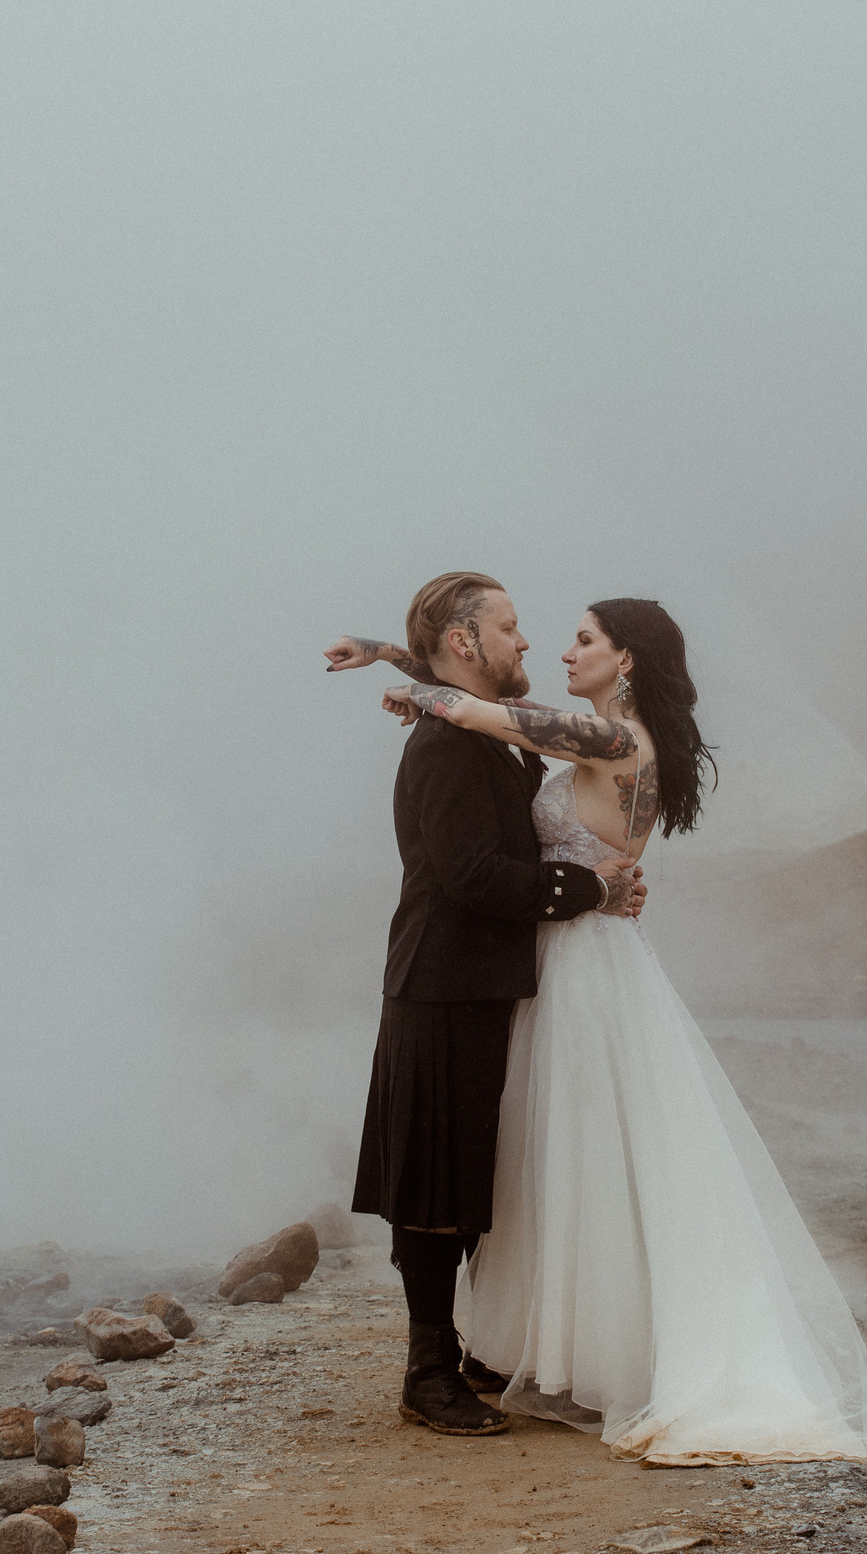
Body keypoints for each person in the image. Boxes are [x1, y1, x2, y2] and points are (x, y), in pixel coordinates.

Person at [330, 596, 867, 1471]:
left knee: (581, 1154)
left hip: (582, 966)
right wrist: (395, 661)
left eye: (584, 638)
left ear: (626, 659)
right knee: (553, 1158)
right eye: (538, 632)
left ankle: (542, 1352)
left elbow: (479, 706)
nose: (558, 647)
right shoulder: (596, 734)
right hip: (564, 958)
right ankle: (536, 1348)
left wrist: (407, 677)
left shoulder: (614, 741)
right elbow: (478, 703)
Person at [329, 573, 646, 1438]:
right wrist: (586, 887)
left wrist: (397, 656)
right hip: (440, 982)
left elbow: (463, 700)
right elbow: (469, 876)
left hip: (481, 981)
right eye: (511, 627)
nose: (527, 642)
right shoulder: (444, 745)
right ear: (467, 642)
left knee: (474, 1177)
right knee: (436, 1184)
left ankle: (472, 1352)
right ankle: (426, 1372)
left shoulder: (480, 730)